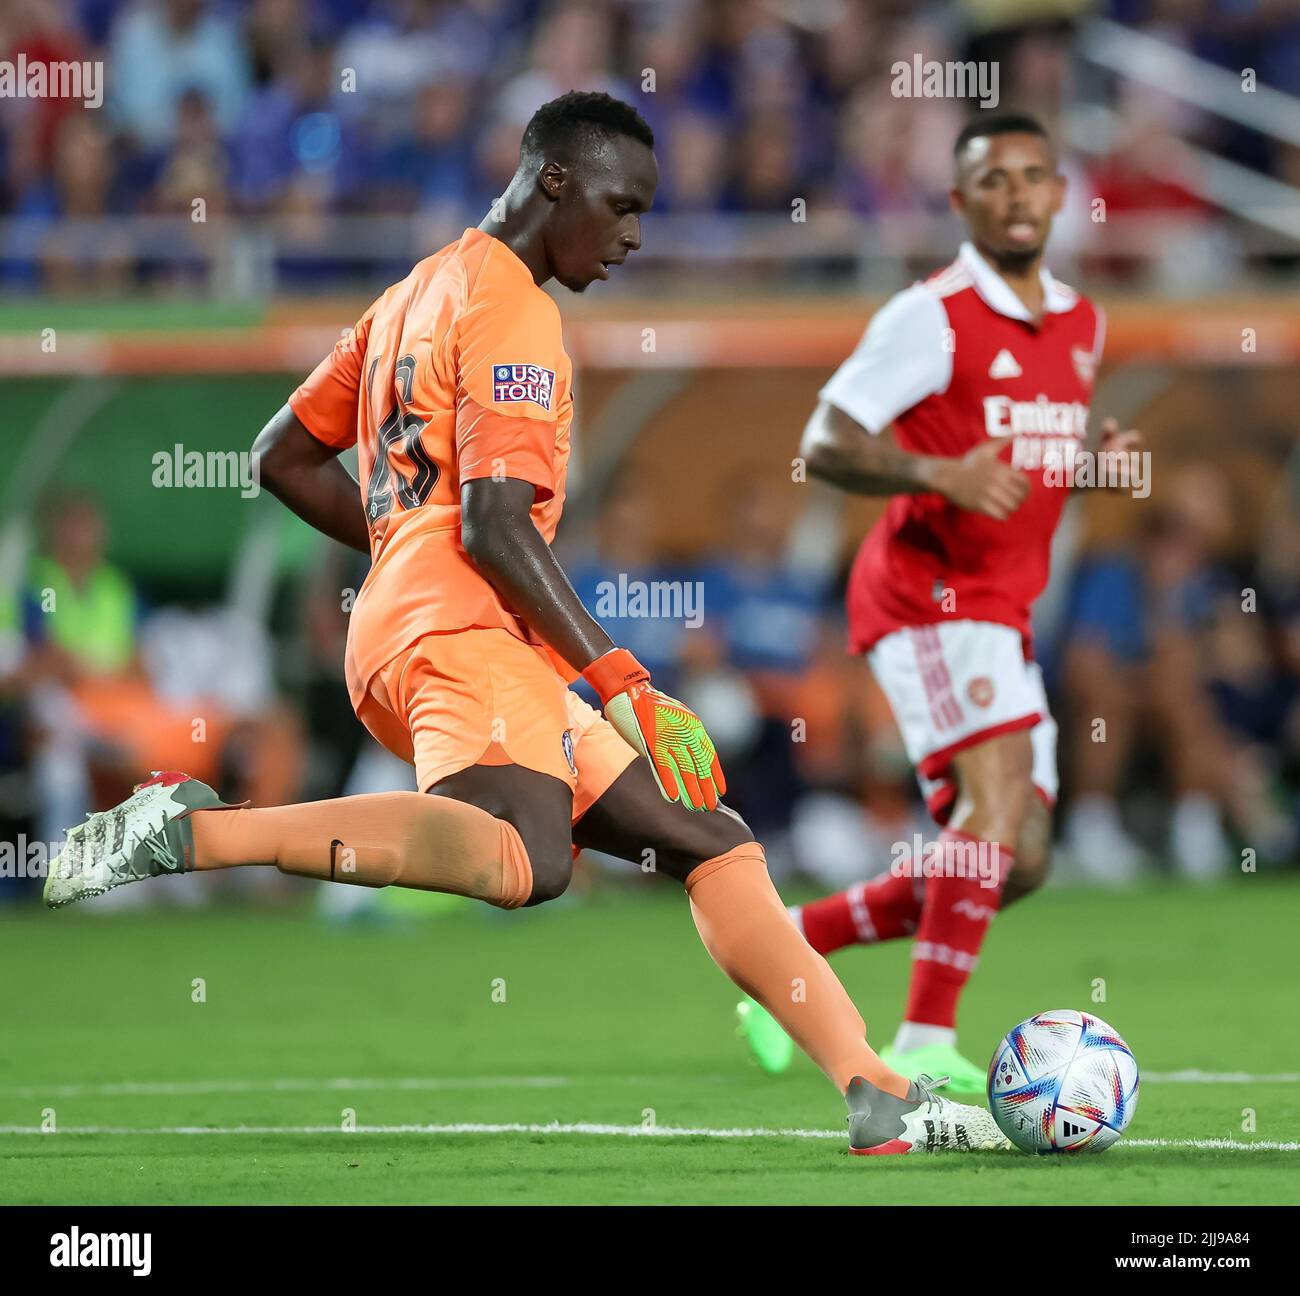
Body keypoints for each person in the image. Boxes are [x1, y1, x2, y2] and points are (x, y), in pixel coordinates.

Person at [44, 91, 1005, 1156]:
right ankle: (195, 831)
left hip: (438, 622)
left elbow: (281, 456)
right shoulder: (514, 311)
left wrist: (405, 548)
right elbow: (500, 527)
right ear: (555, 179)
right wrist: (624, 678)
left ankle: (873, 1090)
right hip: (458, 629)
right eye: (621, 204)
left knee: (707, 837)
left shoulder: (415, 291)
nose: (634, 234)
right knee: (529, 858)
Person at [739, 113, 1142, 1097]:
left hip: (1003, 608)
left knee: (1024, 858)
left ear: (1058, 194)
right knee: (991, 808)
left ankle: (789, 947)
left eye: (1030, 177)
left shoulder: (1083, 325)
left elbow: (1026, 460)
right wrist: (939, 475)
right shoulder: (931, 314)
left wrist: (1091, 467)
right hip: (927, 593)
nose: (1014, 195)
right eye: (990, 180)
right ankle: (921, 1038)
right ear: (959, 202)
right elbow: (826, 439)